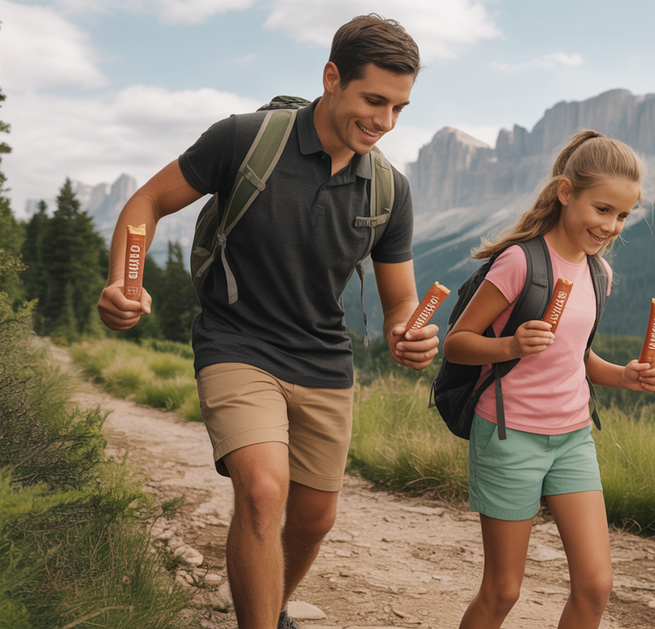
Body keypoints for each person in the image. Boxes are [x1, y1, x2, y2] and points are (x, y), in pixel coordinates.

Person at [96, 15, 438, 629]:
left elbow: (398, 305)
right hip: (236, 342)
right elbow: (146, 201)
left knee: (313, 521)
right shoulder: (245, 139)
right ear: (332, 78)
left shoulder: (390, 190)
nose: (385, 122)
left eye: (399, 108)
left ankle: (267, 606)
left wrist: (409, 334)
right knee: (260, 493)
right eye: (373, 100)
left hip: (323, 361)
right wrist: (126, 282)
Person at [443, 130, 655, 629]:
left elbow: (577, 356)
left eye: (622, 216)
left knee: (595, 586)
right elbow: (458, 342)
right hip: (508, 436)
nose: (611, 225)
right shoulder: (520, 261)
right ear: (566, 193)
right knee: (502, 591)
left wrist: (624, 375)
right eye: (602, 209)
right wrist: (509, 346)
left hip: (572, 439)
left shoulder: (599, 273)